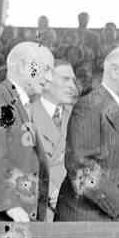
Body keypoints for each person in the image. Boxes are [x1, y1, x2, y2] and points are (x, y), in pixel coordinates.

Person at [56, 46, 119, 222]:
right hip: (85, 220)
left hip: (110, 219)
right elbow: (80, 166)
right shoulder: (89, 105)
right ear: (115, 71)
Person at [0, 41, 53, 222]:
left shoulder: (22, 103)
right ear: (22, 66)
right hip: (1, 219)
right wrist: (10, 204)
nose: (50, 78)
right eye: (45, 69)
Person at [27, 59, 77, 220]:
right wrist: (50, 191)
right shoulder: (27, 114)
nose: (73, 86)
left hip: (72, 206)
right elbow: (22, 163)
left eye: (73, 80)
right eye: (65, 79)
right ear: (46, 82)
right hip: (38, 207)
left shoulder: (78, 117)